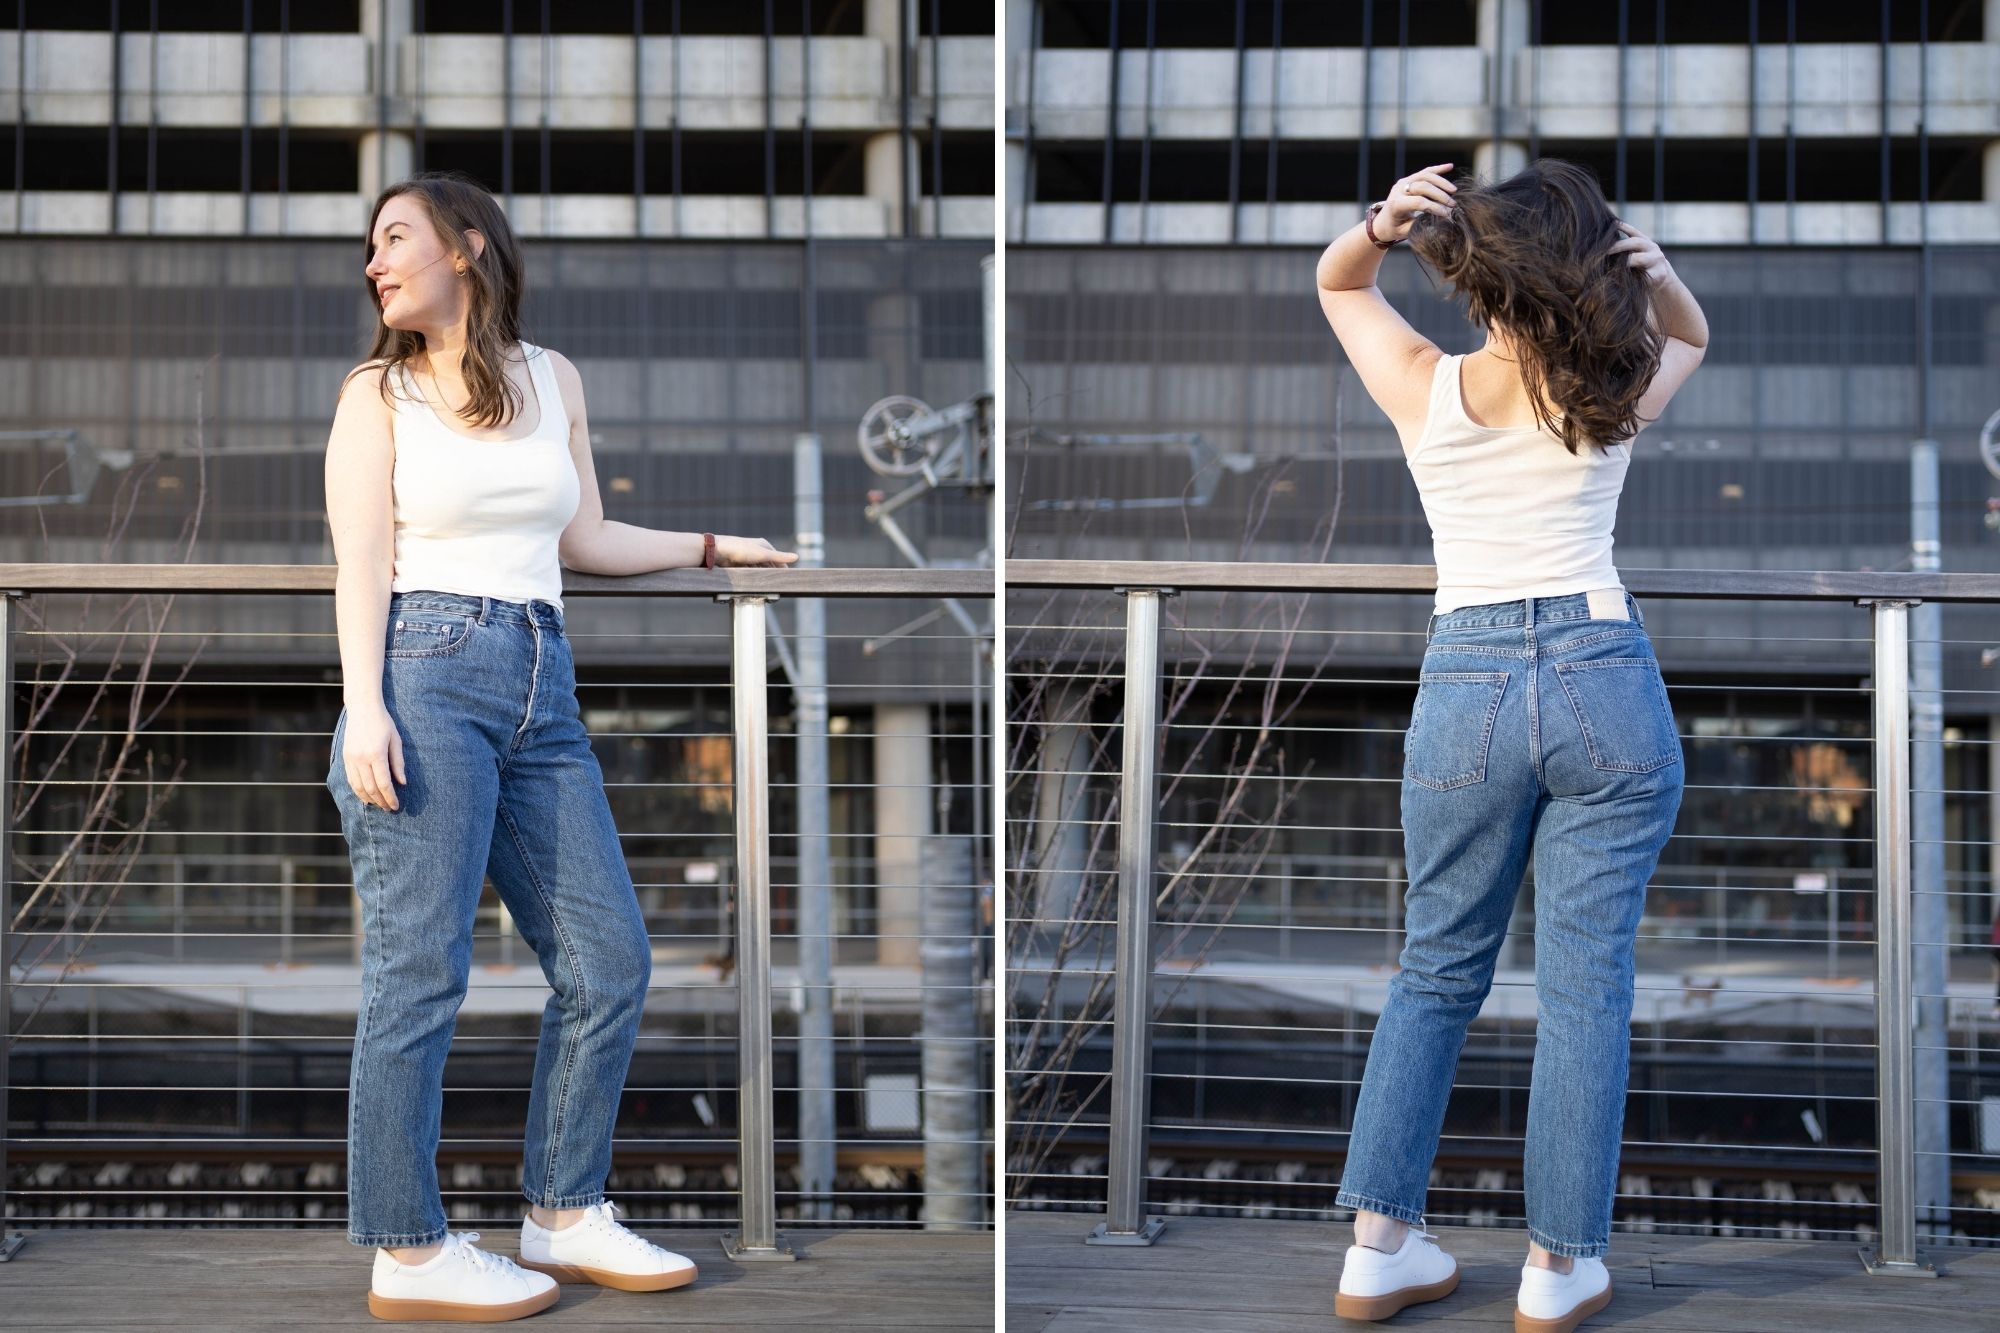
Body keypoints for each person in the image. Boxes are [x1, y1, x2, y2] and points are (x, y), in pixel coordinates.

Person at [325, 170, 798, 1322]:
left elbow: (582, 535)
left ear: (470, 247)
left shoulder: (553, 378)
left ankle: (562, 1211)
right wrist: (367, 708)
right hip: (424, 675)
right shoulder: (374, 395)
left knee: (608, 959)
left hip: (543, 680)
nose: (375, 262)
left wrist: (709, 543)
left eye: (396, 239)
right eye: (372, 247)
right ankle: (407, 1246)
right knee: (418, 975)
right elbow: (363, 566)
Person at [1312, 159, 1707, 1332]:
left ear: (1473, 277)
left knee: (1433, 967)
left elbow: (1337, 288)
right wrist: (1661, 277)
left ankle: (1377, 1248)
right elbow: (1693, 335)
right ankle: (1556, 1266)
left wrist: (1382, 225)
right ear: (1587, 270)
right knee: (1584, 984)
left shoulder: (1423, 388)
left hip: (1464, 682)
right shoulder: (1609, 388)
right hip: (1600, 675)